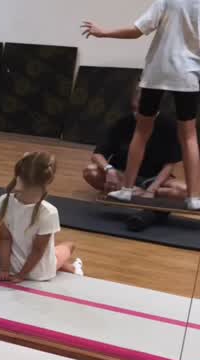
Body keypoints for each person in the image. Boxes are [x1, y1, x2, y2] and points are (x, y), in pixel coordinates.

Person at [83, 1, 200, 211]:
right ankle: (194, 197)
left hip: (158, 72)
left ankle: (127, 189)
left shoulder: (166, 1)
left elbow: (137, 31)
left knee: (142, 130)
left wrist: (103, 33)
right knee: (189, 136)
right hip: (188, 73)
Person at [83, 87, 187, 230]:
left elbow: (170, 164)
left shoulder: (168, 125)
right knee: (90, 171)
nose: (138, 112)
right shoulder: (122, 123)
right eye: (136, 108)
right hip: (123, 175)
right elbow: (98, 154)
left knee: (183, 191)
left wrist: (152, 189)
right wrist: (109, 170)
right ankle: (135, 192)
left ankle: (140, 194)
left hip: (153, 178)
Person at [0, 152, 83, 282]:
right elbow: (38, 250)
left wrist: (4, 269)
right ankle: (75, 268)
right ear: (49, 180)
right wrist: (21, 276)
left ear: (18, 177)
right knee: (69, 245)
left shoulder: (4, 200)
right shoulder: (49, 212)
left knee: (54, 252)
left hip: (14, 266)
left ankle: (73, 268)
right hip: (39, 272)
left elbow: (4, 239)